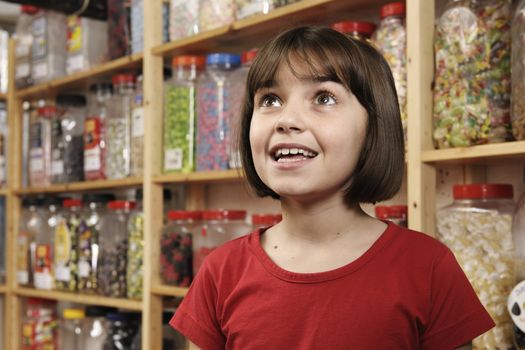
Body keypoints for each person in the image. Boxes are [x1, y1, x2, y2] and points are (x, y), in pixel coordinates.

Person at [170, 26, 494, 349]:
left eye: (324, 97)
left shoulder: (429, 267)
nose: (287, 119)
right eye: (270, 100)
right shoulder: (220, 270)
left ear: (374, 127)